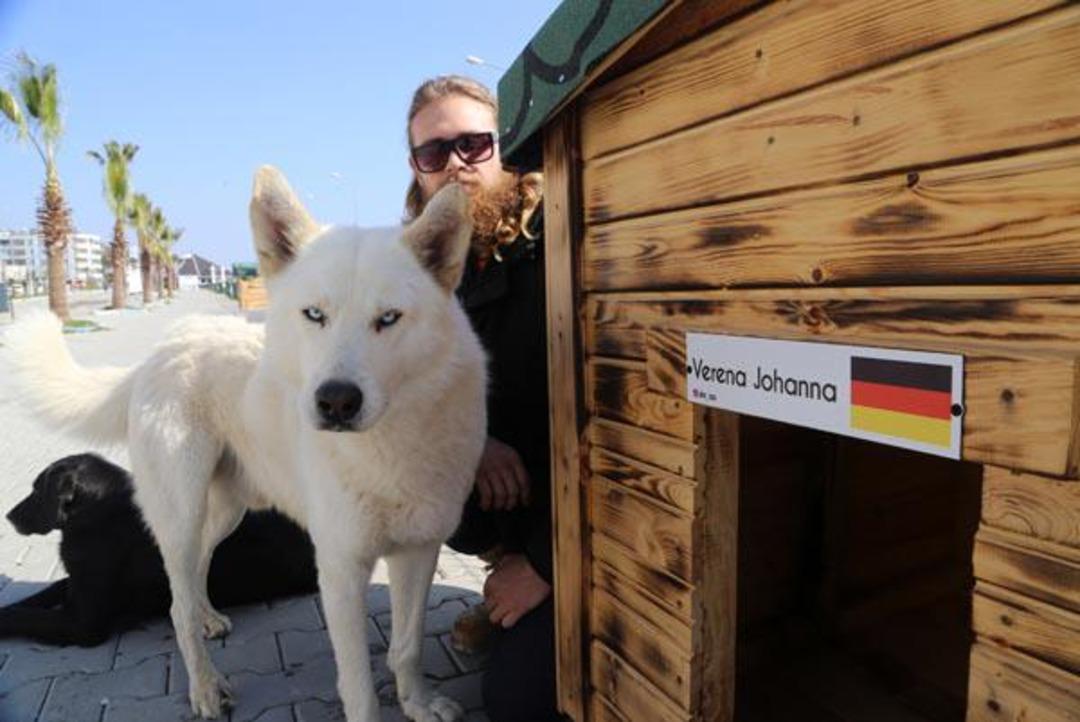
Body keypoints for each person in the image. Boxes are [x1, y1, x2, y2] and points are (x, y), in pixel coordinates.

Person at [405, 76, 562, 722]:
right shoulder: (420, 269)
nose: (457, 164)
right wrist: (474, 443)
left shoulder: (557, 240)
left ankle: (528, 584)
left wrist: (550, 564)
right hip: (510, 494)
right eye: (434, 152)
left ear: (501, 149)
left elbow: (623, 421)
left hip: (596, 513)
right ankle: (508, 574)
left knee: (517, 703)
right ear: (415, 169)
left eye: (473, 143)